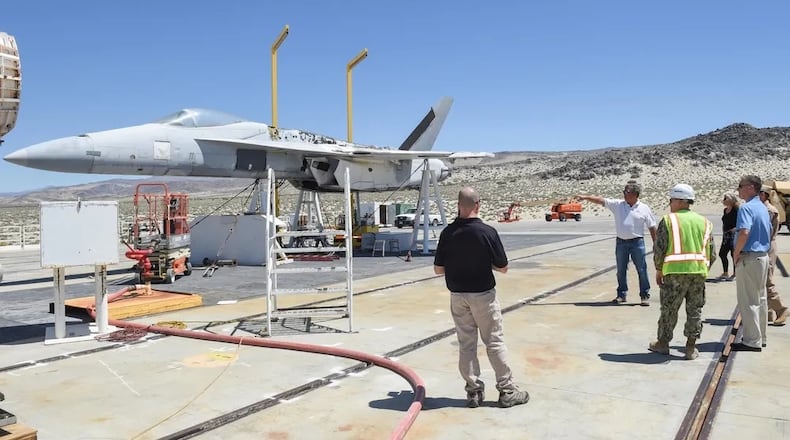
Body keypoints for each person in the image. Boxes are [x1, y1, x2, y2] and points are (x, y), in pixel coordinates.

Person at [433, 187, 529, 409]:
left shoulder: (448, 233)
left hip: (458, 296)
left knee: (466, 344)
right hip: (483, 296)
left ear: (458, 205)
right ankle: (507, 390)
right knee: (494, 342)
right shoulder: (487, 232)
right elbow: (503, 267)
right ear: (478, 204)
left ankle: (473, 391)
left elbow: (439, 269)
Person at [648, 184, 716, 360]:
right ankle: (690, 348)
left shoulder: (669, 220)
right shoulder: (705, 222)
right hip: (698, 273)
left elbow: (659, 249)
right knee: (695, 310)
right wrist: (703, 268)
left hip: (674, 273)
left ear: (679, 201)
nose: (670, 204)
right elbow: (712, 253)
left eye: (671, 200)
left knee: (669, 309)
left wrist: (658, 269)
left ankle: (663, 343)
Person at [577, 181, 658, 305]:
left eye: (626, 192)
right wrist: (585, 197)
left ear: (635, 194)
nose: (624, 194)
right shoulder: (618, 205)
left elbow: (652, 227)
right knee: (621, 270)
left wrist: (656, 244)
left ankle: (644, 295)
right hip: (621, 243)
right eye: (624, 192)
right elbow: (601, 200)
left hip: (637, 243)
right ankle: (621, 294)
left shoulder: (644, 208)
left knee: (642, 269)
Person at [731, 175, 772, 352]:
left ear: (750, 187)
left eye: (740, 186)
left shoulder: (746, 208)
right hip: (762, 256)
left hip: (749, 257)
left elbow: (744, 232)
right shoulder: (762, 207)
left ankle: (751, 340)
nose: (738, 189)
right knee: (760, 299)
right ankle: (761, 337)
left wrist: (736, 252)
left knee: (748, 301)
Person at [759, 185, 790, 326]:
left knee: (767, 281)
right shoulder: (766, 209)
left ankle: (781, 309)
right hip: (766, 245)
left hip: (766, 246)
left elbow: (766, 233)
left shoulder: (768, 210)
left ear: (764, 195)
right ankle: (769, 312)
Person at [718, 193, 740, 280]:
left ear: (731, 200)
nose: (724, 200)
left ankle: (735, 273)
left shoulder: (736, 210)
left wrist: (736, 229)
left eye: (725, 199)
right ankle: (725, 272)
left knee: (733, 253)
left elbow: (741, 221)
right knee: (722, 253)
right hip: (726, 235)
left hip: (734, 235)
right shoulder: (725, 210)